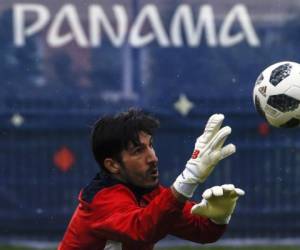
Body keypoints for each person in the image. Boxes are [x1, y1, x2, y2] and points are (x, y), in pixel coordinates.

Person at [58, 108, 245, 250]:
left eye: (151, 146)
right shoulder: (102, 201)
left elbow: (203, 232)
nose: (153, 158)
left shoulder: (150, 194)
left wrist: (219, 217)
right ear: (113, 165)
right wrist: (189, 178)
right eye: (138, 151)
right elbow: (142, 229)